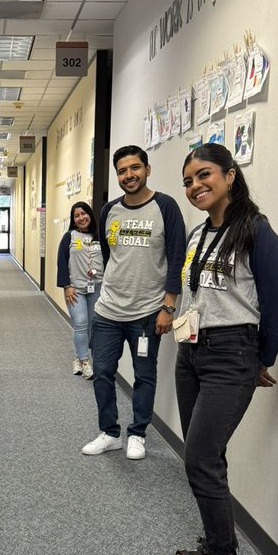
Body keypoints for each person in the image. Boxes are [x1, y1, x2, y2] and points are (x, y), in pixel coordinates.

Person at [170, 143, 278, 555]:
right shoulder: (199, 235)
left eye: (204, 175)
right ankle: (215, 540)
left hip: (231, 355)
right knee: (203, 456)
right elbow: (193, 297)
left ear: (229, 176)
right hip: (191, 354)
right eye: (187, 181)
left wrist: (264, 358)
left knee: (200, 456)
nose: (195, 186)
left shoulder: (257, 232)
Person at [81, 145, 186, 460]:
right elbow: (109, 255)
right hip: (108, 311)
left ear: (147, 169)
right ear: (117, 176)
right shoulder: (109, 210)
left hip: (146, 313)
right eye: (122, 171)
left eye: (135, 168)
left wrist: (168, 307)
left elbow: (177, 257)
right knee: (101, 372)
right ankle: (109, 433)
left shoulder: (165, 207)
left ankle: (138, 433)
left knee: (144, 375)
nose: (129, 175)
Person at [56, 201, 104, 379]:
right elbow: (61, 262)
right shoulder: (69, 236)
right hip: (75, 289)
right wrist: (66, 287)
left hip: (97, 287)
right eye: (77, 215)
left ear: (90, 215)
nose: (81, 218)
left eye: (84, 214)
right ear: (73, 220)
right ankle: (85, 361)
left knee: (93, 325)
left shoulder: (100, 237)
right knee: (80, 323)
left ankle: (78, 356)